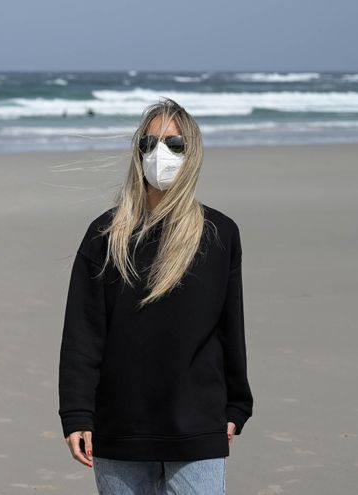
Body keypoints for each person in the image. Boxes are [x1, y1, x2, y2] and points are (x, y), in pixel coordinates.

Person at [58, 99, 253, 494]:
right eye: (147, 144)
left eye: (173, 144)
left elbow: (230, 327)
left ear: (192, 151)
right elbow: (83, 332)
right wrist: (77, 413)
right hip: (119, 425)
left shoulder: (219, 234)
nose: (158, 154)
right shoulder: (105, 235)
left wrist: (238, 405)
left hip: (197, 424)